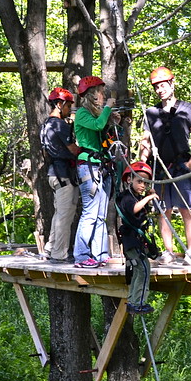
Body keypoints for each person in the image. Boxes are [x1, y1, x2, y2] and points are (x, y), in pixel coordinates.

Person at [138, 66, 191, 265]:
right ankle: (169, 251)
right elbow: (145, 142)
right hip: (160, 167)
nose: (160, 90)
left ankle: (190, 251)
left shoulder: (187, 109)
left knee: (186, 209)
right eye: (156, 87)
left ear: (172, 84)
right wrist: (142, 167)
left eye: (163, 85)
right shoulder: (151, 113)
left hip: (181, 166)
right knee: (163, 210)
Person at [73, 75, 119, 268]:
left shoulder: (94, 114)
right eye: (101, 92)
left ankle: (100, 253)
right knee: (90, 213)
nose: (103, 95)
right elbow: (97, 125)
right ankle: (81, 256)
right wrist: (108, 108)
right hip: (88, 166)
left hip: (100, 165)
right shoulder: (82, 114)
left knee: (101, 214)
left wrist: (112, 120)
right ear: (92, 94)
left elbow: (102, 129)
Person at [39, 86, 81, 263]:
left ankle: (50, 248)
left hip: (54, 174)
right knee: (65, 216)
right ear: (59, 104)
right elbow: (74, 150)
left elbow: (46, 153)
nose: (69, 109)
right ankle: (59, 254)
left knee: (59, 214)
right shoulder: (59, 125)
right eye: (67, 105)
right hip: (64, 175)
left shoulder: (46, 125)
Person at [115, 161, 159, 315]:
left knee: (141, 269)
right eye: (139, 181)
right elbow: (133, 209)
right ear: (129, 180)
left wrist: (147, 197)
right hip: (131, 240)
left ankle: (134, 301)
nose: (142, 185)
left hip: (134, 241)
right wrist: (149, 198)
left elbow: (141, 213)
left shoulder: (135, 197)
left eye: (145, 183)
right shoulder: (127, 197)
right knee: (144, 269)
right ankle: (138, 303)